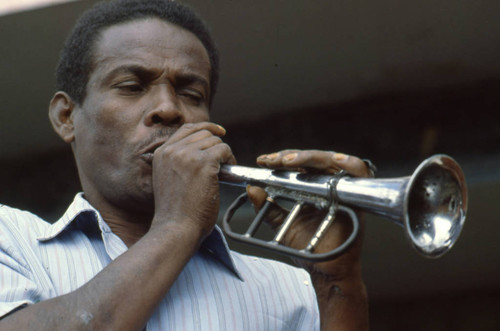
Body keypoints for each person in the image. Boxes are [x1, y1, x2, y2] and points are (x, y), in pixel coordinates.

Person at [0, 0, 373, 329]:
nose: (169, 108)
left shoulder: (290, 292)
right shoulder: (10, 239)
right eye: (131, 86)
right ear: (67, 117)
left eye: (191, 93)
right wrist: (178, 224)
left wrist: (336, 280)